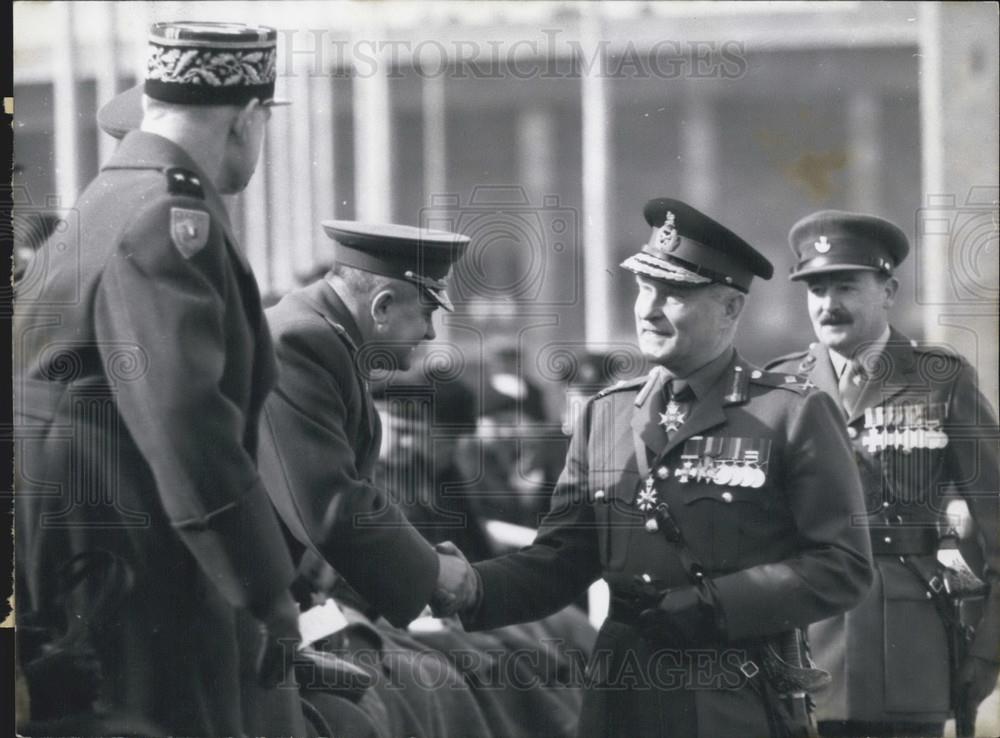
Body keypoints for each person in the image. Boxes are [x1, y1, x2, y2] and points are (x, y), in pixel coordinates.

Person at [435, 198, 875, 738]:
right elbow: (564, 558)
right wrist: (472, 585)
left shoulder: (791, 413)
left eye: (675, 293)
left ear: (731, 308)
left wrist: (712, 605)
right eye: (645, 287)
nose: (649, 308)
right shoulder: (607, 414)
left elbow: (843, 565)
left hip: (729, 694)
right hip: (622, 693)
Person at [14, 21, 303, 737]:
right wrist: (267, 590)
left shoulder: (98, 205)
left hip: (67, 550)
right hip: (137, 560)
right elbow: (186, 424)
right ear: (246, 119)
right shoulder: (170, 218)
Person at [765, 210, 1000, 737]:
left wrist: (988, 652)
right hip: (803, 647)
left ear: (888, 290)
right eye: (817, 289)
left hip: (907, 649)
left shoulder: (941, 379)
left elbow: (997, 523)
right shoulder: (780, 386)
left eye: (846, 286)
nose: (829, 304)